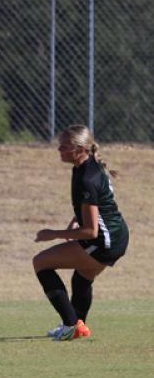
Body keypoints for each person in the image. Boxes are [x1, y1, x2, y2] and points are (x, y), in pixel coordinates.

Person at [33, 125, 129, 341]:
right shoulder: (87, 167)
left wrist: (53, 233)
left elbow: (91, 231)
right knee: (82, 277)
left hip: (105, 241)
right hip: (117, 237)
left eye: (64, 147)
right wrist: (78, 218)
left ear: (80, 149)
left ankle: (70, 325)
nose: (59, 150)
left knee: (41, 262)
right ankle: (79, 326)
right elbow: (100, 205)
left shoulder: (86, 177)